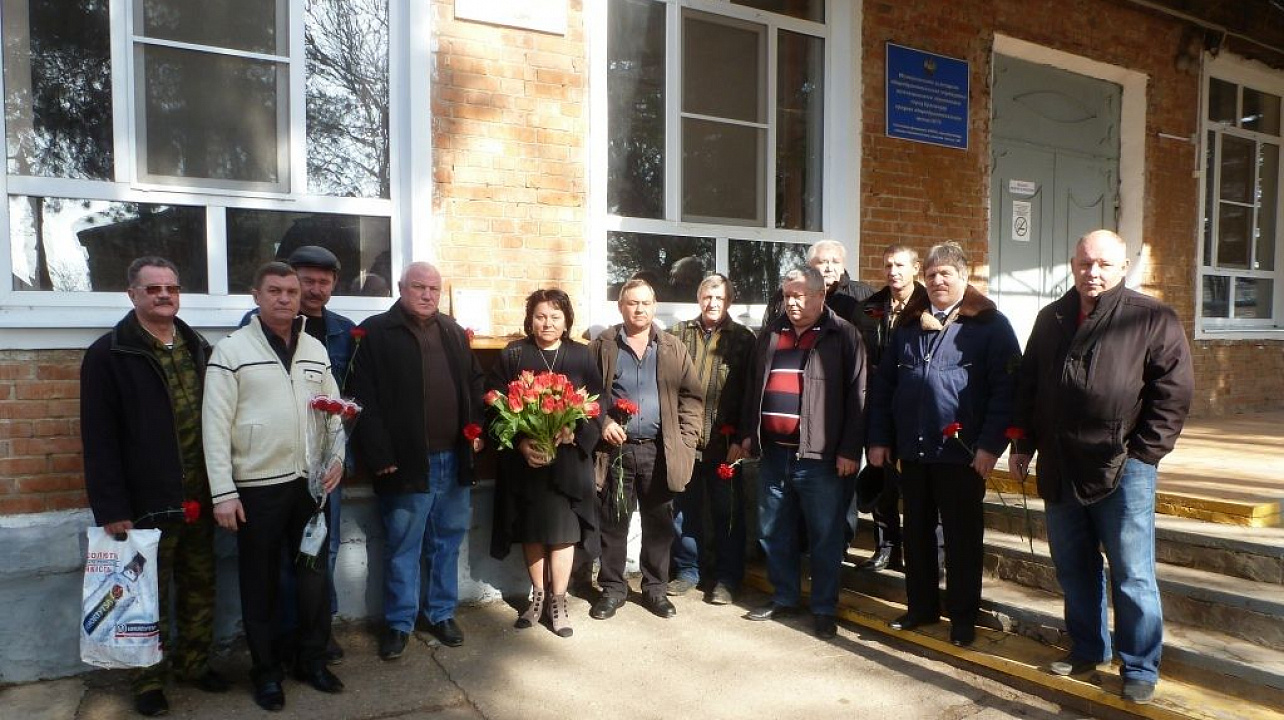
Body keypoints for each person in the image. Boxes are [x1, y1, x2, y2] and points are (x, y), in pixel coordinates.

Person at [1009, 230, 1194, 705]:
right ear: (1072, 265)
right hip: (1059, 463)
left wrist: (1144, 454)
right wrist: (1023, 443)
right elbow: (1029, 385)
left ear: (1123, 266)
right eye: (1085, 263)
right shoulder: (1051, 318)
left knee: (1132, 574)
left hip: (1123, 467)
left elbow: (1172, 393)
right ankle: (1088, 648)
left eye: (1104, 264)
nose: (1093, 273)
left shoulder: (1151, 318)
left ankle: (1139, 664)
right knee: (1073, 566)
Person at [81, 257, 229, 717]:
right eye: (153, 289)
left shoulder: (197, 346)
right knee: (146, 595)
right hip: (146, 502)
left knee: (200, 584)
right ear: (132, 295)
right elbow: (99, 438)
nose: (164, 295)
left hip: (199, 496)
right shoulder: (109, 354)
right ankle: (147, 679)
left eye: (171, 287)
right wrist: (111, 505)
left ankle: (194, 663)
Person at [204, 262, 345, 711]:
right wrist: (223, 492)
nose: (285, 298)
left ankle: (312, 660)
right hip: (257, 489)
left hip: (309, 485)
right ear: (256, 295)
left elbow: (334, 410)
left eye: (291, 291)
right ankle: (266, 673)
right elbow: (214, 424)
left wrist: (336, 457)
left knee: (312, 579)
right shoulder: (231, 351)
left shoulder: (314, 349)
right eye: (275, 291)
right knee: (260, 584)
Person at [867, 242, 1021, 648]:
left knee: (961, 541)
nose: (937, 281)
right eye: (931, 275)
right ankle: (921, 608)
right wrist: (880, 439)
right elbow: (884, 387)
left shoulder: (990, 325)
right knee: (915, 535)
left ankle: (963, 618)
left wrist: (990, 447)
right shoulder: (908, 325)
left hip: (963, 456)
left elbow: (1007, 391)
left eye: (946, 274)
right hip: (913, 454)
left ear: (964, 277)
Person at [347, 262, 485, 658]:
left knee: (447, 543)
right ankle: (398, 622)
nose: (426, 295)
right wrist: (379, 454)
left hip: (452, 460)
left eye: (433, 288)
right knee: (403, 546)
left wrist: (476, 431)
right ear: (400, 288)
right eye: (418, 287)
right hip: (404, 464)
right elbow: (361, 397)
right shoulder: (375, 332)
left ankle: (441, 613)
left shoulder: (454, 333)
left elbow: (475, 386)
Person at [241, 244, 355, 666]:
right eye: (306, 281)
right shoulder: (251, 332)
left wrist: (341, 456)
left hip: (325, 467)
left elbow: (343, 400)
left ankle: (318, 632)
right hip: (275, 465)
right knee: (281, 557)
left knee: (322, 548)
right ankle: (287, 633)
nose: (313, 289)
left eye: (323, 282)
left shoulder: (344, 330)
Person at [739, 265, 865, 639]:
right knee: (773, 529)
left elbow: (859, 397)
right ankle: (785, 597)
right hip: (775, 453)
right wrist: (750, 432)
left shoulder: (843, 335)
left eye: (800, 295)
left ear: (820, 295)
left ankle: (824, 608)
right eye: (788, 295)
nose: (792, 302)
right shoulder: (771, 334)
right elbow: (753, 386)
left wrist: (849, 450)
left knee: (824, 535)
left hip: (821, 457)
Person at [489, 289, 603, 637]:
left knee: (563, 533)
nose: (547, 323)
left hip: (568, 464)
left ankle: (558, 599)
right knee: (533, 530)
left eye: (555, 316)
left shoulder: (581, 356)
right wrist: (521, 443)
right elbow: (494, 406)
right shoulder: (515, 354)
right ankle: (536, 597)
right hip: (527, 465)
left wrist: (573, 433)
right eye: (540, 316)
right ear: (530, 319)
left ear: (567, 319)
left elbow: (599, 408)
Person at [588, 278, 703, 621]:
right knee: (614, 522)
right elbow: (587, 395)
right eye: (632, 303)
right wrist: (603, 422)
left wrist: (685, 439)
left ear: (655, 306)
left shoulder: (671, 347)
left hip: (659, 451)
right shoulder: (602, 346)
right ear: (620, 307)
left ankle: (655, 589)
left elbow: (691, 397)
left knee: (659, 524)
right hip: (616, 452)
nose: (639, 309)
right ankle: (612, 589)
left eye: (645, 303)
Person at [666, 274, 756, 604]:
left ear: (729, 301)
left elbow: (750, 393)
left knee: (727, 513)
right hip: (686, 442)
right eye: (707, 296)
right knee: (683, 511)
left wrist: (744, 437)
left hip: (725, 443)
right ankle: (688, 570)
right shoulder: (677, 335)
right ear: (698, 298)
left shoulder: (744, 339)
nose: (712, 303)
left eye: (719, 298)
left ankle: (727, 578)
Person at [853, 245, 929, 573]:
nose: (893, 271)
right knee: (882, 479)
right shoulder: (869, 308)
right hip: (878, 406)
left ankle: (925, 554)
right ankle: (886, 548)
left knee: (920, 489)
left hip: (917, 408)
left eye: (900, 265)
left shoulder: (929, 305)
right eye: (888, 265)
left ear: (916, 268)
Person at [762, 239, 875, 326]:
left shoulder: (865, 295)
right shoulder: (784, 297)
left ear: (843, 266)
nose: (829, 268)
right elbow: (768, 336)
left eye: (835, 262)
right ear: (809, 266)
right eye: (823, 262)